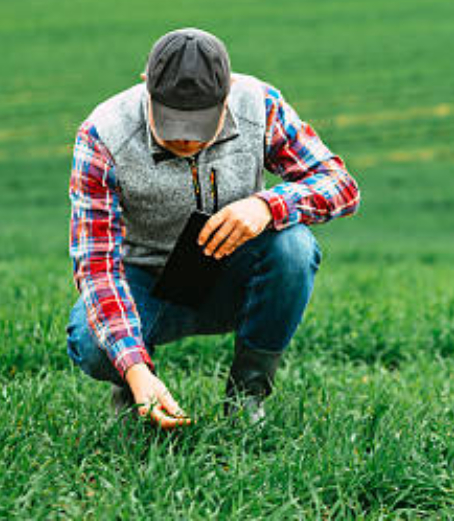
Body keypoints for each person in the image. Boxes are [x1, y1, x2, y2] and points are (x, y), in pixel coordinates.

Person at [65, 28, 359, 427]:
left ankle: (247, 400)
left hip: (230, 275)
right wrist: (135, 370)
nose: (185, 138)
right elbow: (97, 265)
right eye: (170, 120)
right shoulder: (103, 135)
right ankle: (137, 391)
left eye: (200, 122)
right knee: (91, 342)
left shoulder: (260, 104)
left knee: (294, 246)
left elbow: (340, 185)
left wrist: (267, 205)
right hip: (146, 283)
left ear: (228, 92)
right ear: (145, 87)